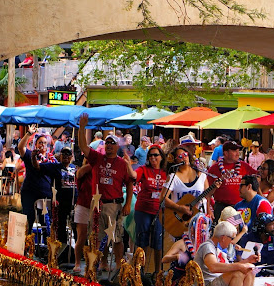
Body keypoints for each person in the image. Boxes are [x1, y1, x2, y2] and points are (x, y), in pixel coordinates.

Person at [78, 113, 134, 272]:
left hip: (114, 205)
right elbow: (83, 146)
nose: (109, 145)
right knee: (95, 235)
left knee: (116, 237)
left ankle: (118, 266)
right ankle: (98, 264)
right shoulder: (97, 158)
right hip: (97, 203)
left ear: (117, 147)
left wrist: (128, 203)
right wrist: (82, 127)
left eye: (112, 143)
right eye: (107, 143)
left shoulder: (122, 164)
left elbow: (130, 182)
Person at [194, 220, 263, 286]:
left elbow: (228, 267)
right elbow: (213, 267)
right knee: (238, 271)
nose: (232, 242)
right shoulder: (207, 246)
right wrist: (240, 266)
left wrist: (248, 261)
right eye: (231, 238)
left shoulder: (217, 249)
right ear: (223, 237)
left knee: (250, 270)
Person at [160, 146, 214, 234]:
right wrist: (179, 208)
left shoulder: (202, 175)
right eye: (180, 156)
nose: (184, 158)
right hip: (180, 220)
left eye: (185, 154)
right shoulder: (173, 177)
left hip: (199, 218)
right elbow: (162, 198)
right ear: (175, 160)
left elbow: (207, 195)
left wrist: (209, 210)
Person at [131, 144, 166, 273]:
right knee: (142, 241)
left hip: (160, 211)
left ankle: (157, 273)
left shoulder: (166, 171)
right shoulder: (143, 169)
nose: (153, 157)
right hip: (143, 209)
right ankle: (140, 272)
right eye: (150, 155)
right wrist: (127, 165)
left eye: (156, 155)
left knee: (158, 242)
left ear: (161, 157)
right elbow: (134, 176)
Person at [35, 147, 77, 251]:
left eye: (68, 154)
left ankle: (79, 251)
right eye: (64, 154)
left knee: (76, 226)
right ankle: (61, 249)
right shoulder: (54, 167)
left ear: (72, 157)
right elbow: (38, 167)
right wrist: (33, 157)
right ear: (60, 156)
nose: (66, 157)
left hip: (74, 202)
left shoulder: (75, 168)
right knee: (60, 227)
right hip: (60, 202)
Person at [207, 140, 257, 221]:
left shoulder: (244, 166)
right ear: (226, 153)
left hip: (240, 207)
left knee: (240, 231)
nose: (238, 153)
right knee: (222, 231)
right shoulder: (214, 169)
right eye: (234, 151)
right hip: (221, 208)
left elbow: (258, 175)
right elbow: (207, 193)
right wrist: (209, 209)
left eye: (238, 151)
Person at [17, 125, 55, 231]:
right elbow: (20, 147)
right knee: (28, 220)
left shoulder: (51, 160)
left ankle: (46, 245)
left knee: (46, 222)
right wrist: (28, 133)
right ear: (36, 144)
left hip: (45, 194)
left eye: (44, 143)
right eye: (40, 142)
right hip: (30, 192)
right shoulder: (30, 155)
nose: (42, 145)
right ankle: (27, 244)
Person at [162, 213, 212, 286]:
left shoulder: (207, 245)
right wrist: (176, 256)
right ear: (192, 229)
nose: (201, 234)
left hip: (199, 280)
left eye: (203, 231)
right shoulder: (182, 243)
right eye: (199, 230)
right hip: (181, 281)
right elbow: (164, 259)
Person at [72, 160, 93, 273]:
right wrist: (94, 162)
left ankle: (97, 263)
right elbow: (79, 174)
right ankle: (77, 263)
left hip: (96, 207)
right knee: (81, 236)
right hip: (83, 205)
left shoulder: (100, 171)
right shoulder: (83, 171)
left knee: (97, 237)